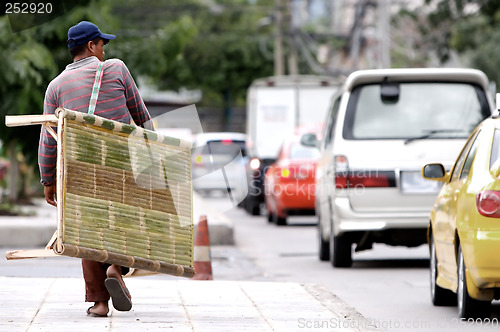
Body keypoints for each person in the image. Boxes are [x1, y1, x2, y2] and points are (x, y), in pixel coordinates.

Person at [38, 21, 155, 317]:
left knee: (86, 230)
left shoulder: (55, 87)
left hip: (79, 171)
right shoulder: (116, 69)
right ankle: (117, 267)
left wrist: (48, 180)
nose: (105, 50)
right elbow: (141, 116)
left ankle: (100, 302)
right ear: (91, 46)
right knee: (130, 221)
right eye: (102, 44)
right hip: (122, 165)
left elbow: (48, 140)